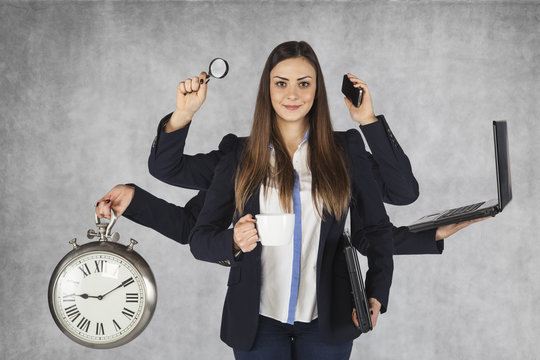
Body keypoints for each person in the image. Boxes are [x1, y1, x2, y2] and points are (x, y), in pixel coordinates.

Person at [178, 40, 390, 359]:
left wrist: (375, 294)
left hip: (328, 318)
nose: (292, 94)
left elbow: (376, 228)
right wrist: (233, 241)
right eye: (281, 83)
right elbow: (200, 240)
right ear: (268, 90)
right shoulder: (239, 154)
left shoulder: (345, 149)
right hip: (257, 321)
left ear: (317, 91)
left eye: (304, 84)